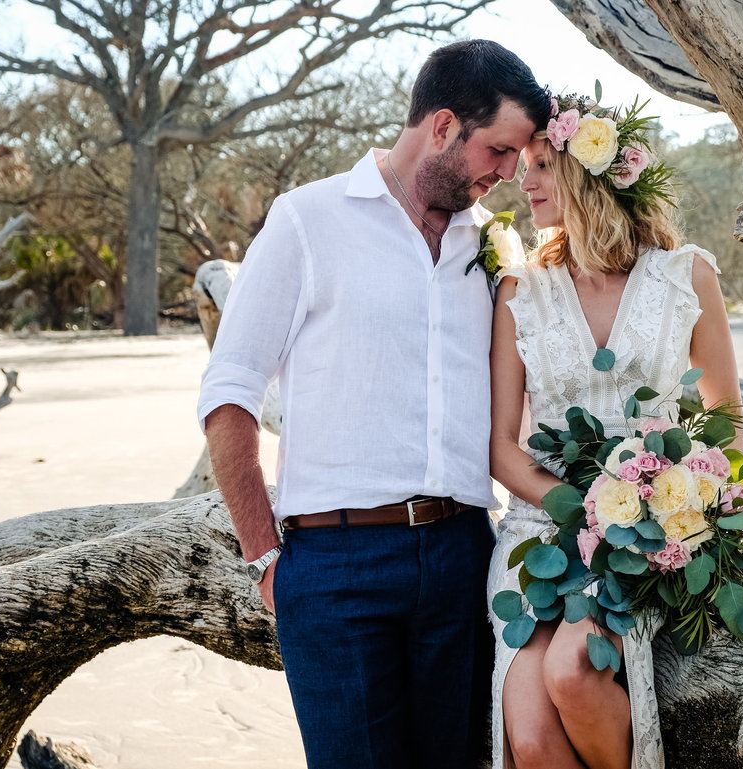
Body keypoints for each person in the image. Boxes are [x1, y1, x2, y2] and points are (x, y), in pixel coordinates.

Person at [197, 40, 552, 769]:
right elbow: (230, 391)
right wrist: (265, 555)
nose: (509, 172)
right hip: (335, 566)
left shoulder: (487, 244)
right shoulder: (306, 220)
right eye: (500, 150)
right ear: (445, 126)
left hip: (463, 556)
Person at [487, 90, 743, 769]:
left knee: (574, 671)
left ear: (589, 168)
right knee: (532, 737)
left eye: (541, 163)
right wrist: (577, 507)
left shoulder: (685, 275)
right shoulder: (521, 290)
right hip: (535, 532)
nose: (525, 178)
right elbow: (501, 448)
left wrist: (701, 510)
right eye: (521, 163)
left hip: (644, 531)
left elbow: (726, 425)